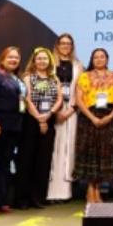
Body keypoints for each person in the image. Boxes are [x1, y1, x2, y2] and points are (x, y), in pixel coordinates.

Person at [73, 48, 113, 203]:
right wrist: (92, 117)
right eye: (96, 57)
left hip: (109, 117)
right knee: (90, 154)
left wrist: (110, 116)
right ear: (92, 60)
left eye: (102, 57)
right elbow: (79, 100)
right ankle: (90, 190)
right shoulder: (84, 76)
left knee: (103, 155)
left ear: (107, 59)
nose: (99, 59)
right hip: (89, 118)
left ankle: (98, 189)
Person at [20, 48, 62, 211]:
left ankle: (37, 198)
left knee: (43, 161)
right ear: (34, 61)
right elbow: (27, 99)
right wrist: (39, 118)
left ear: (49, 61)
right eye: (39, 58)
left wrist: (49, 115)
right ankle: (23, 199)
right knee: (27, 159)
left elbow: (59, 100)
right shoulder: (28, 77)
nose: (42, 61)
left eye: (45, 58)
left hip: (49, 119)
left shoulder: (54, 78)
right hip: (31, 120)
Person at [0, 47, 25, 210]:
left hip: (14, 126)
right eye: (10, 57)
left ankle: (2, 199)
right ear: (2, 59)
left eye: (16, 58)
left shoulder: (17, 78)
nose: (13, 60)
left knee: (6, 163)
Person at [47, 33, 82, 203]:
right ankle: (50, 191)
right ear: (57, 45)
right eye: (63, 43)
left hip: (71, 111)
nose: (66, 46)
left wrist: (71, 109)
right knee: (53, 148)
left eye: (69, 43)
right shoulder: (50, 64)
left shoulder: (78, 66)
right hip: (52, 110)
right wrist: (54, 111)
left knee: (68, 147)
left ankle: (65, 191)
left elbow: (79, 91)